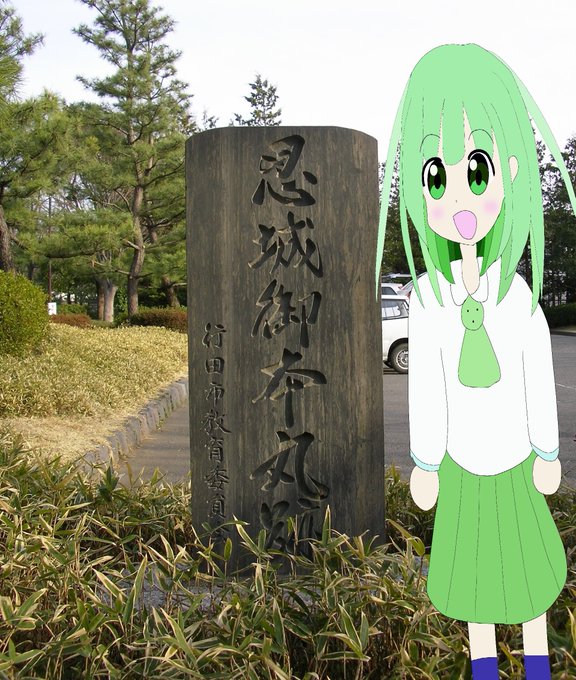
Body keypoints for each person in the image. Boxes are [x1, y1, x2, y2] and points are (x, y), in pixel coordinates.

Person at [375, 44, 576, 680]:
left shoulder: (517, 297)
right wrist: (426, 461)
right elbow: (427, 389)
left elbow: (536, 376)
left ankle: (538, 667)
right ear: (419, 188)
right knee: (475, 589)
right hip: (461, 466)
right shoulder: (427, 300)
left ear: (509, 171)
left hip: (515, 461)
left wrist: (548, 450)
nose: (457, 195)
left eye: (477, 170)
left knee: (528, 578)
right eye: (437, 176)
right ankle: (485, 668)